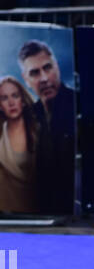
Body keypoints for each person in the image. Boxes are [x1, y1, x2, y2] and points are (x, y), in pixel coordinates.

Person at [18, 41, 76, 216]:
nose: (44, 78)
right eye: (35, 73)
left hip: (79, 207)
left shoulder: (81, 103)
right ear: (26, 80)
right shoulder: (25, 117)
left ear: (57, 68)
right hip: (38, 209)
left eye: (47, 68)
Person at [0, 74, 39, 213]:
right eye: (4, 98)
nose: (11, 102)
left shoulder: (39, 131)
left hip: (41, 214)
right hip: (6, 218)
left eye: (15, 95)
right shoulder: (0, 136)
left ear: (22, 99)